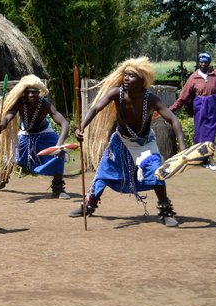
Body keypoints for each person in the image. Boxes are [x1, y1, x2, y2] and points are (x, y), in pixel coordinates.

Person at [69, 57, 186, 227]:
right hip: (121, 141)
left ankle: (165, 210)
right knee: (103, 173)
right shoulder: (116, 93)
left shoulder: (150, 98)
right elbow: (95, 108)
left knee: (155, 171)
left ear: (141, 80)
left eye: (131, 76)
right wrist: (82, 127)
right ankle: (89, 205)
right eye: (125, 74)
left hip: (145, 143)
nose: (126, 78)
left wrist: (182, 148)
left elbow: (173, 120)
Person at [0, 75, 71, 199]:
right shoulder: (20, 103)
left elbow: (65, 123)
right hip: (25, 134)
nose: (30, 95)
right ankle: (1, 179)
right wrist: (2, 125)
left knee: (59, 153)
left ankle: (58, 187)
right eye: (27, 92)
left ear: (39, 93)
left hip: (44, 133)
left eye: (33, 92)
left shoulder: (44, 104)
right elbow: (9, 115)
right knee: (12, 154)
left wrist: (59, 143)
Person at [168, 53, 216, 171]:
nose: (203, 64)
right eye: (201, 62)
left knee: (211, 131)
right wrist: (172, 109)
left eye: (206, 62)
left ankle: (210, 157)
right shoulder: (193, 77)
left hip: (213, 105)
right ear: (198, 63)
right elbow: (184, 97)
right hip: (200, 105)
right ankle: (201, 158)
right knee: (200, 131)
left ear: (209, 63)